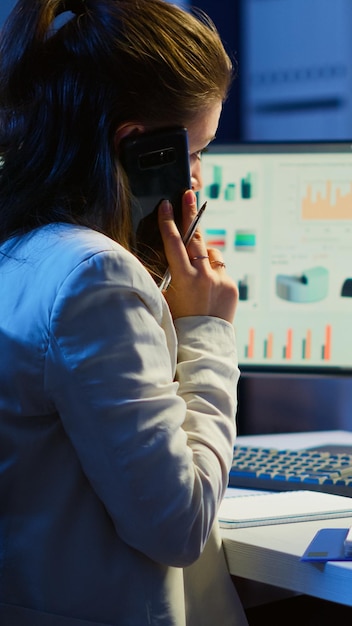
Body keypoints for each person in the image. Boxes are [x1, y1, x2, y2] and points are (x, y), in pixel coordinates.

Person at [0, 0, 248, 624]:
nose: (198, 178)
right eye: (195, 152)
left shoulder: (23, 254)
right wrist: (206, 331)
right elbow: (179, 527)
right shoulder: (96, 279)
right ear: (140, 149)